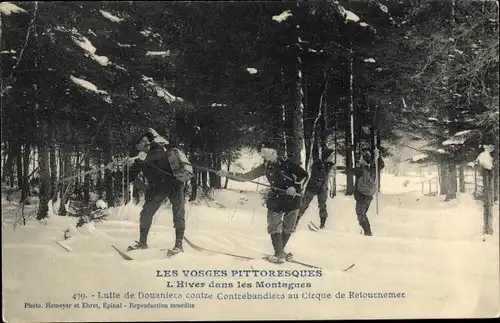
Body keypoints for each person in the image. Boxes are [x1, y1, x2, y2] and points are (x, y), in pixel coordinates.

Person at [217, 141, 309, 264]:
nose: (261, 152)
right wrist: (227, 174)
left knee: (288, 228)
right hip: (275, 199)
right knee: (273, 227)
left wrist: (295, 187)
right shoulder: (265, 166)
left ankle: (279, 252)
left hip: (292, 199)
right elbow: (246, 177)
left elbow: (304, 175)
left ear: (273, 151)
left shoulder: (288, 164)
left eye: (264, 149)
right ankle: (279, 253)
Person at [108, 129, 187, 255]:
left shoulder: (157, 149)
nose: (145, 143)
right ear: (138, 146)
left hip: (174, 184)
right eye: (141, 142)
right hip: (158, 188)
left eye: (146, 140)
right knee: (146, 213)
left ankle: (179, 245)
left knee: (178, 213)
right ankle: (142, 243)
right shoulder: (141, 158)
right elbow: (128, 176)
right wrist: (113, 172)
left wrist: (136, 158)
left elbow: (155, 155)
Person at [345, 150, 385, 236]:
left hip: (361, 197)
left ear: (364, 160)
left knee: (360, 214)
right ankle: (367, 231)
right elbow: (381, 165)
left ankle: (368, 232)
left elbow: (348, 171)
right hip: (369, 196)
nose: (359, 160)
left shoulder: (360, 169)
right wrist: (378, 156)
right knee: (363, 214)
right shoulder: (373, 169)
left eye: (361, 158)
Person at [295, 148, 336, 229]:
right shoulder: (317, 163)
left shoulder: (329, 164)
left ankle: (322, 225)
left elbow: (333, 169)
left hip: (322, 188)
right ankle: (294, 222)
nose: (332, 157)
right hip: (312, 187)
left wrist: (332, 169)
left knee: (323, 206)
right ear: (326, 156)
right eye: (330, 156)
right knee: (303, 205)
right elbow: (315, 173)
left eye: (332, 155)